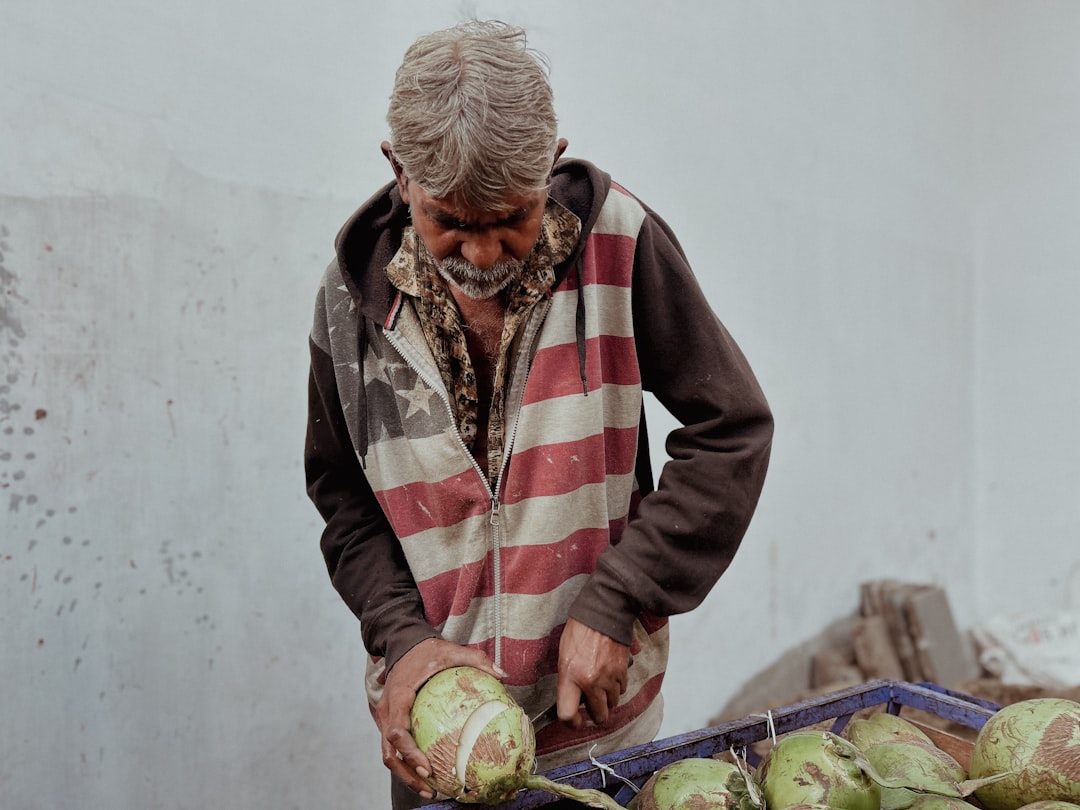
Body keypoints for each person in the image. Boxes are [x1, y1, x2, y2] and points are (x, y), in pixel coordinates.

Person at [305, 19, 773, 809]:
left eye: (508, 221)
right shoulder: (350, 304)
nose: (481, 255)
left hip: (602, 736)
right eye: (449, 221)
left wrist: (620, 597)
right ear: (399, 173)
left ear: (551, 162)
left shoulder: (621, 244)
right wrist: (404, 641)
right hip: (437, 740)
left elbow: (730, 430)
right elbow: (345, 503)